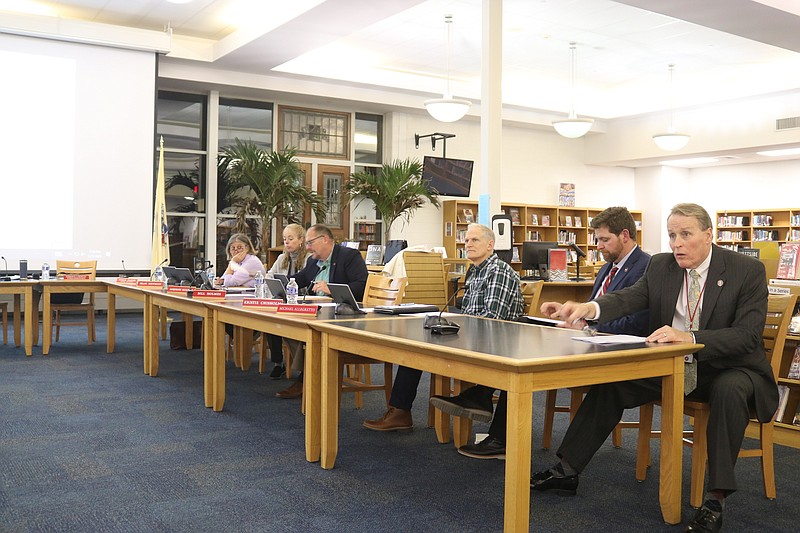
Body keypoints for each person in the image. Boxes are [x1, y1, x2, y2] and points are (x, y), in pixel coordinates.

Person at [534, 203, 774, 533]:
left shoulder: (746, 270)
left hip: (728, 367)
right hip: (673, 366)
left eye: (685, 235)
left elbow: (746, 336)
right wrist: (588, 308)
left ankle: (715, 498)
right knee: (614, 379)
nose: (676, 243)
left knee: (729, 391)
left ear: (708, 235)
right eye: (672, 235)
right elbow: (630, 298)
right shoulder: (662, 265)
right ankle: (567, 469)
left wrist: (688, 336)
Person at [431, 206, 651, 459]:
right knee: (522, 342)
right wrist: (568, 315)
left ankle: (489, 415)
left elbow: (636, 322)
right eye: (597, 240)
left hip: (617, 349)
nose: (598, 246)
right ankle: (487, 410)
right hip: (588, 339)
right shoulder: (607, 268)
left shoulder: (645, 267)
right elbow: (595, 309)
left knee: (521, 356)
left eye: (604, 240)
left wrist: (590, 325)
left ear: (625, 235)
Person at [363, 223, 524, 431]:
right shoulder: (474, 272)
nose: (468, 244)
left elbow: (491, 320)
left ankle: (468, 397)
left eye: (475, 240)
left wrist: (457, 328)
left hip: (494, 343)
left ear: (490, 245)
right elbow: (471, 314)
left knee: (426, 341)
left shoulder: (498, 271)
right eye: (466, 240)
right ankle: (400, 412)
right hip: (474, 335)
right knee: (417, 343)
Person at [275, 224, 369, 399]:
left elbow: (362, 287)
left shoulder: (349, 256)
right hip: (317, 312)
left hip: (343, 316)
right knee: (288, 326)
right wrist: (278, 283)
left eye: (310, 243)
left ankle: (305, 379)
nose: (308, 247)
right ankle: (309, 373)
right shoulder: (313, 261)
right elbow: (300, 279)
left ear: (324, 240)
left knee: (308, 332)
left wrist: (331, 289)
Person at [265, 224, 308, 379]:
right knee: (270, 321)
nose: (287, 242)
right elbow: (269, 276)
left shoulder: (308, 259)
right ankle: (278, 363)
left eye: (290, 239)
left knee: (288, 326)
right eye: (284, 239)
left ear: (301, 240)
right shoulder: (282, 258)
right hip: (282, 303)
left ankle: (304, 367)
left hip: (302, 303)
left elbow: (308, 284)